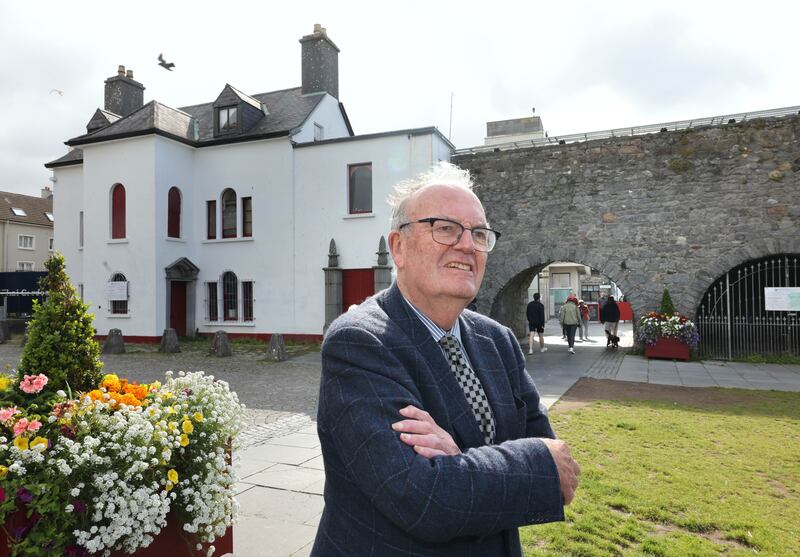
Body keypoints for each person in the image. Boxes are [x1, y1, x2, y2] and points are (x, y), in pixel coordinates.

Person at [312, 162, 580, 556]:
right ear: (398, 247)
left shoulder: (498, 340)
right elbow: (422, 497)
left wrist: (459, 460)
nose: (467, 244)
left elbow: (555, 461)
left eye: (478, 233)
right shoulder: (360, 342)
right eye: (445, 228)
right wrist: (526, 466)